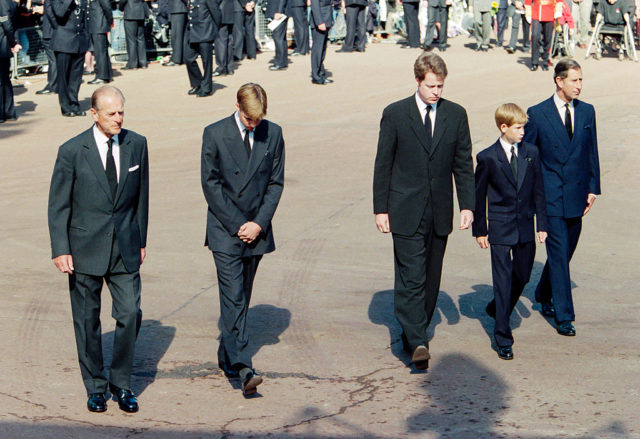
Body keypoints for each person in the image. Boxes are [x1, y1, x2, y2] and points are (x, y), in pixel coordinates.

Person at [48, 86, 149, 413]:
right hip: (83, 248)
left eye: (121, 111)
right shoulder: (72, 150)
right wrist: (61, 248)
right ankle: (95, 386)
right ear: (94, 114)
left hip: (125, 246)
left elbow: (142, 199)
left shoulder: (137, 145)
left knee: (130, 313)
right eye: (111, 113)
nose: (119, 118)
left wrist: (141, 239)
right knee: (86, 320)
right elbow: (58, 205)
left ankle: (121, 384)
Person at [372, 52, 474, 370]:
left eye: (440, 86)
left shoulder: (456, 115)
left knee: (431, 279)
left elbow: (463, 163)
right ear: (418, 80)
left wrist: (468, 204)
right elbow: (383, 163)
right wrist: (380, 209)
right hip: (404, 209)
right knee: (410, 277)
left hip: (440, 210)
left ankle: (414, 330)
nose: (436, 92)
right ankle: (418, 340)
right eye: (431, 86)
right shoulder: (396, 114)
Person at [201, 83, 285, 396]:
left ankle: (227, 352)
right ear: (238, 107)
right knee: (233, 294)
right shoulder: (215, 134)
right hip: (226, 228)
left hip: (257, 230)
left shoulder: (273, 133)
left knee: (243, 295)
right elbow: (211, 185)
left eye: (259, 120)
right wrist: (239, 225)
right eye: (250, 120)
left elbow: (276, 183)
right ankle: (243, 365)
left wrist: (259, 224)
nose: (255, 125)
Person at [523, 58, 600, 336]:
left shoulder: (587, 111)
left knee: (565, 252)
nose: (579, 86)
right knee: (557, 253)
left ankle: (543, 292)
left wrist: (594, 188)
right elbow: (528, 157)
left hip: (578, 194)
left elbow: (591, 151)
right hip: (550, 196)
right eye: (574, 80)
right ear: (559, 81)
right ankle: (564, 315)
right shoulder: (538, 113)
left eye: (581, 80)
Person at [473, 103, 548, 360]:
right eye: (518, 127)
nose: (523, 131)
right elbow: (478, 195)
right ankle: (503, 337)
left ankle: (497, 307)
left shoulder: (531, 152)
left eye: (524, 126)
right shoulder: (487, 157)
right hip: (501, 228)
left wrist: (543, 226)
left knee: (523, 274)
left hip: (526, 226)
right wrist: (480, 230)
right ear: (503, 128)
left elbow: (539, 190)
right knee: (502, 282)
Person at [51, 0, 89, 116]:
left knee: (75, 77)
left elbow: (84, 18)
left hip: (79, 42)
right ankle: (66, 107)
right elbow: (59, 13)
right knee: (64, 77)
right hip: (64, 42)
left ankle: (74, 104)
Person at [184, 0, 220, 97]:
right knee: (188, 58)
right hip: (192, 33)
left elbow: (216, 13)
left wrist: (213, 30)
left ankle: (207, 88)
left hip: (205, 32)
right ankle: (197, 83)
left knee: (206, 62)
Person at [0, 0, 20, 123]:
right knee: (5, 80)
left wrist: (13, 42)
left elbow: (6, 23)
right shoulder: (9, 3)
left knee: (2, 81)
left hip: (2, 45)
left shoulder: (3, 3)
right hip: (3, 45)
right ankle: (8, 111)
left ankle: (2, 113)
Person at [526, 0, 559, 70]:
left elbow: (559, 1)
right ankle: (534, 62)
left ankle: (545, 61)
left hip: (549, 13)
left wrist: (557, 11)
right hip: (536, 14)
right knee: (535, 37)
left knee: (547, 39)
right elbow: (528, 1)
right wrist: (528, 12)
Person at [87, 0, 113, 84]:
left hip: (99, 24)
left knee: (100, 53)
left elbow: (107, 7)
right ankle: (107, 74)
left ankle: (102, 76)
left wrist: (110, 21)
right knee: (101, 52)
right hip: (96, 24)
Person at [35, 0, 58, 94]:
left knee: (53, 60)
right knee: (54, 60)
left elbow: (50, 13)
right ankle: (54, 84)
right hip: (54, 31)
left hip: (50, 32)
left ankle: (52, 86)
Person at [119, 0, 149, 70]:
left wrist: (120, 8)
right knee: (140, 39)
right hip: (141, 13)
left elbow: (122, 1)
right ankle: (143, 63)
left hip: (130, 13)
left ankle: (133, 64)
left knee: (131, 40)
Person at [310, 0, 333, 84]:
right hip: (320, 22)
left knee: (322, 50)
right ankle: (316, 76)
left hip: (326, 19)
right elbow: (315, 6)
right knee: (317, 50)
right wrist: (319, 22)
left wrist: (330, 20)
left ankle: (321, 73)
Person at [213, 0, 235, 76]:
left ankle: (221, 68)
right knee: (229, 40)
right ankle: (229, 67)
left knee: (220, 41)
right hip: (230, 11)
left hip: (221, 12)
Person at [163, 0, 188, 66]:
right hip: (180, 8)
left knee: (177, 35)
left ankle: (176, 59)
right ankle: (183, 57)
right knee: (183, 36)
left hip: (177, 8)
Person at [266, 0, 289, 70]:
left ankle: (280, 63)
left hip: (279, 12)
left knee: (278, 37)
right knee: (281, 38)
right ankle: (283, 62)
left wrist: (279, 11)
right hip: (278, 11)